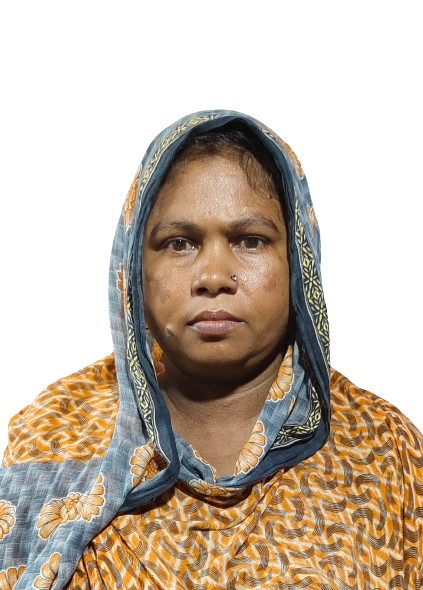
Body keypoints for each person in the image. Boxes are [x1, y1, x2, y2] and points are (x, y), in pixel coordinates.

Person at [0, 110, 422, 589]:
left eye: (250, 241)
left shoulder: (385, 452)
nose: (214, 277)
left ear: (297, 260)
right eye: (179, 243)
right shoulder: (56, 433)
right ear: (135, 266)